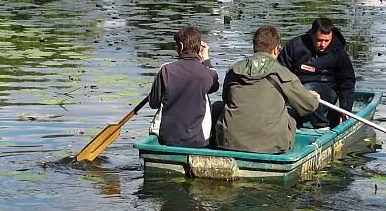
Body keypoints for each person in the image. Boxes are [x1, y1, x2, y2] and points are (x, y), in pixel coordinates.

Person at [214, 25, 320, 154]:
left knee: (218, 106)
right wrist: (314, 97)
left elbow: (226, 99)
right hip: (271, 145)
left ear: (254, 47)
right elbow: (308, 106)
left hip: (229, 142)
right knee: (291, 112)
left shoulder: (233, 71)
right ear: (276, 50)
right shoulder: (282, 73)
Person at [147, 26, 219, 148]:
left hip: (168, 139)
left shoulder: (166, 70)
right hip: (198, 141)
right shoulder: (207, 73)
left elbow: (154, 103)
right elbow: (215, 85)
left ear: (180, 46)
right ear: (199, 48)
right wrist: (206, 59)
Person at [277, 17, 356, 128]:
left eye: (327, 41)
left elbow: (347, 82)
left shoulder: (338, 53)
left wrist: (345, 109)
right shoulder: (295, 46)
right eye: (319, 40)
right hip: (297, 93)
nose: (322, 45)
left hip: (326, 93)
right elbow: (279, 72)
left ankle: (321, 126)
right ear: (312, 34)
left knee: (309, 89)